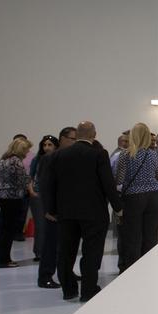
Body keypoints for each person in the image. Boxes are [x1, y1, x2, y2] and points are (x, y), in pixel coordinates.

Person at [43, 120, 121, 301]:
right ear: (94, 135)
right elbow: (107, 184)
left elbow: (50, 185)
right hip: (93, 212)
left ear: (77, 135)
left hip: (66, 212)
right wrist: (118, 207)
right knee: (91, 252)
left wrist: (51, 209)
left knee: (66, 251)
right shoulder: (98, 154)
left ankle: (68, 290)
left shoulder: (58, 155)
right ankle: (88, 290)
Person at [113, 123, 158, 273]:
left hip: (133, 198)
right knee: (150, 236)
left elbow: (118, 180)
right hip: (154, 198)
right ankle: (148, 269)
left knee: (133, 237)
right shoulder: (153, 154)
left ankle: (133, 271)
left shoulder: (126, 154)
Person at [34, 127, 74, 290]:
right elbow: (45, 186)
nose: (75, 142)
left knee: (65, 244)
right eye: (73, 138)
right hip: (53, 210)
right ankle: (45, 276)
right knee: (51, 244)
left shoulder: (69, 157)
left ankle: (66, 272)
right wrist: (48, 210)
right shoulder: (49, 159)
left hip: (66, 208)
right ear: (63, 139)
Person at [0, 137, 33, 268]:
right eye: (27, 149)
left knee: (5, 229)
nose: (28, 152)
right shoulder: (16, 161)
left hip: (3, 196)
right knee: (9, 230)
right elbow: (22, 180)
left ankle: (3, 257)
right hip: (13, 197)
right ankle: (4, 259)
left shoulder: (4, 159)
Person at [27, 135, 59, 262]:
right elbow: (30, 176)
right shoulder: (38, 159)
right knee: (41, 225)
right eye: (44, 145)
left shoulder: (59, 157)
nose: (47, 147)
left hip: (54, 194)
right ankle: (39, 252)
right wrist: (32, 191)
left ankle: (54, 250)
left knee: (55, 224)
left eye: (50, 145)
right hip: (39, 194)